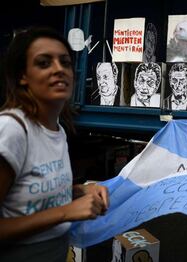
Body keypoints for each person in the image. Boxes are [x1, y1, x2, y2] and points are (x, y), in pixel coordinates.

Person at [0, 27, 109, 261]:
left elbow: (24, 199)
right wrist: (65, 212)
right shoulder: (11, 130)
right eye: (43, 63)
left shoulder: (56, 129)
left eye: (65, 62)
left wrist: (79, 192)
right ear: (23, 76)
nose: (59, 69)